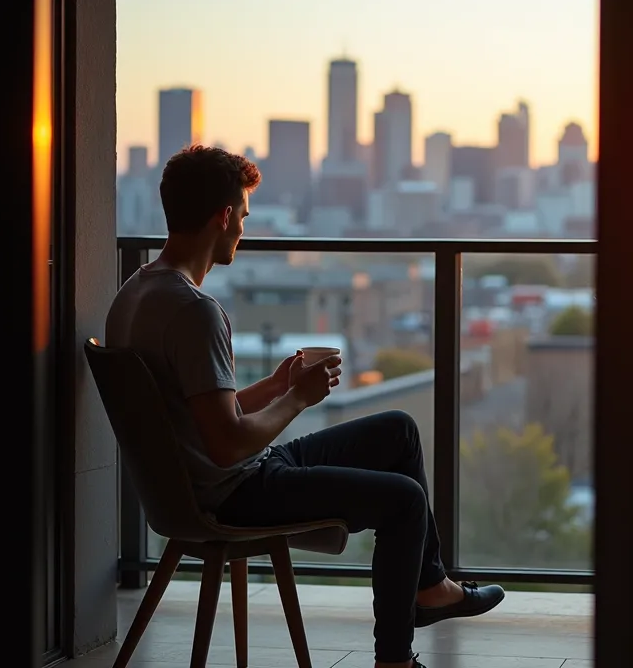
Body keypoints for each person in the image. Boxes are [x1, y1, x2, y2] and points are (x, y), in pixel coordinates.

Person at [104, 145, 501, 668]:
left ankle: (429, 586)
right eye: (242, 216)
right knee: (404, 501)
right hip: (232, 493)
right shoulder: (194, 312)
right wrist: (298, 399)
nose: (243, 230)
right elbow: (226, 444)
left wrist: (272, 386)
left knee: (398, 431)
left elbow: (195, 417)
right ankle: (395, 660)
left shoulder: (133, 294)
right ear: (223, 217)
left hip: (193, 486)